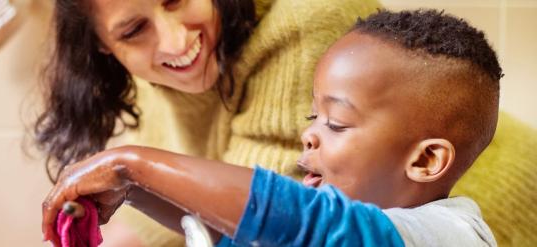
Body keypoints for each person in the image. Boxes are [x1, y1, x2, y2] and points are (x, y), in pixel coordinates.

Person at [35, 0, 537, 245]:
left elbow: (297, 220)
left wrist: (134, 165)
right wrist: (134, 193)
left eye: (335, 123)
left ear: (426, 159)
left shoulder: (443, 233)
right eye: (311, 116)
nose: (309, 133)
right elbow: (242, 232)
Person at [35, 0, 381, 245]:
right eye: (135, 29)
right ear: (102, 45)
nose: (177, 42)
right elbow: (154, 230)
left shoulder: (304, 21)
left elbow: (267, 223)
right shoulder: (153, 70)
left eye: (175, 0)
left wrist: (129, 166)